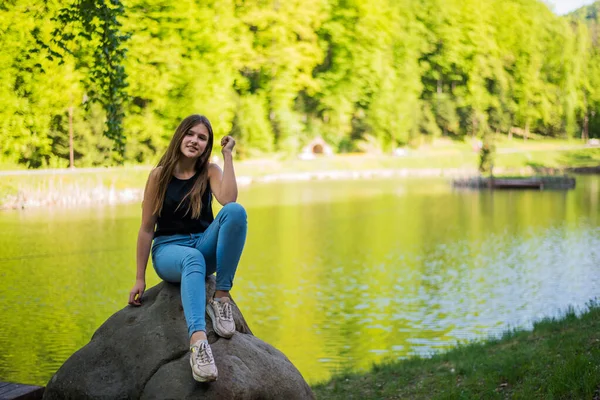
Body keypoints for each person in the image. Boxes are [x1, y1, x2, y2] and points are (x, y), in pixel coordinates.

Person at [127, 114, 248, 382]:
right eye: (190, 134)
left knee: (236, 212)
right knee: (192, 258)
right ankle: (198, 344)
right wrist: (139, 277)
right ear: (180, 136)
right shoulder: (159, 176)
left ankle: (221, 298)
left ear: (207, 145)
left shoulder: (209, 171)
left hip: (203, 245)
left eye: (202, 138)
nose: (195, 141)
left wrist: (227, 156)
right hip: (169, 251)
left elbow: (228, 199)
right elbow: (147, 228)